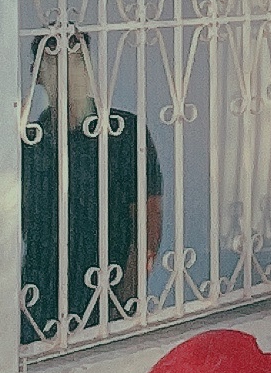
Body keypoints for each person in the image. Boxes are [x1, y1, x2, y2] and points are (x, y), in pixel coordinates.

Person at [19, 30, 163, 345]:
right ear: (37, 75)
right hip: (40, 296)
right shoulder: (30, 141)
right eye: (54, 64)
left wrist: (126, 295)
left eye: (76, 62)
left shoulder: (124, 133)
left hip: (105, 290)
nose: (67, 73)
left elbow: (148, 215)